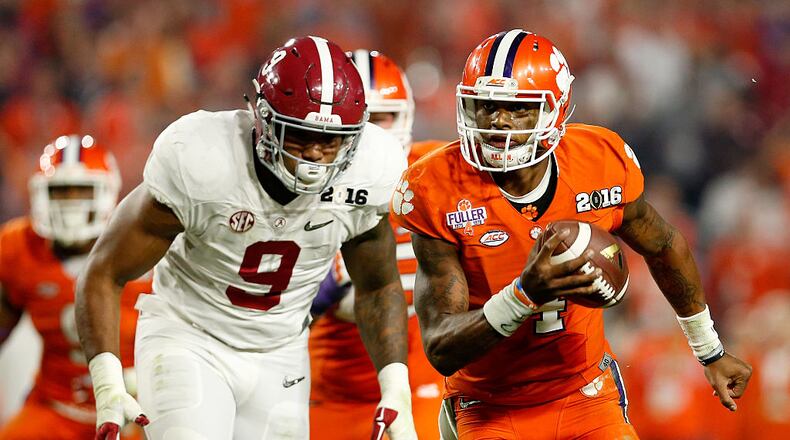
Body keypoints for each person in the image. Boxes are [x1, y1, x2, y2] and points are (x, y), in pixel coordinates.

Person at [391, 29, 753, 439]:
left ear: (555, 110)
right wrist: (524, 295)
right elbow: (440, 347)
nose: (497, 121)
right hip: (489, 405)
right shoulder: (437, 185)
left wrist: (709, 349)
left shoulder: (597, 161)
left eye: (517, 108)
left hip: (585, 393)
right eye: (485, 105)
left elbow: (664, 245)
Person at [75, 36, 417, 440]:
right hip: (189, 335)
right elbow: (103, 272)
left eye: (330, 140)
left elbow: (377, 284)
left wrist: (396, 385)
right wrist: (107, 381)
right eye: (299, 136)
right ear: (263, 119)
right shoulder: (204, 158)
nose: (315, 155)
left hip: (283, 351)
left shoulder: (371, 166)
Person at [309, 49, 446, 440]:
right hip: (332, 392)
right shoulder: (303, 181)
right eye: (359, 119)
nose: (370, 134)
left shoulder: (440, 173)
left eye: (382, 117)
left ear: (407, 118)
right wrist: (317, 292)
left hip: (425, 384)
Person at [0, 135, 148, 439]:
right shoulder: (19, 248)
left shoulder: (142, 243)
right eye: (60, 192)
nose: (70, 204)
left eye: (81, 191)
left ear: (107, 194)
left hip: (138, 410)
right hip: (56, 407)